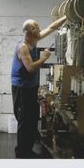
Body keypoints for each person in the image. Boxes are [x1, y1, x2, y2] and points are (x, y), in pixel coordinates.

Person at [11, 15, 67, 158]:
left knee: (31, 119)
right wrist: (44, 57)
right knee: (24, 121)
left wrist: (67, 16)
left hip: (31, 87)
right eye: (36, 27)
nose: (40, 29)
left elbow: (52, 27)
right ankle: (22, 154)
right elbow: (30, 68)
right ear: (29, 32)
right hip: (22, 89)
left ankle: (28, 151)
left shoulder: (34, 39)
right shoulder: (23, 48)